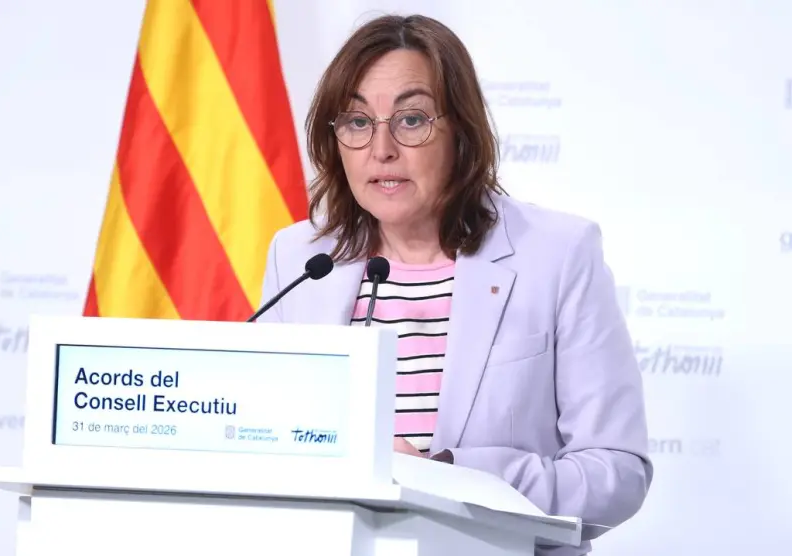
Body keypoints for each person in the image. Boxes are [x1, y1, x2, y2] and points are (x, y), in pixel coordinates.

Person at [256, 13, 653, 556]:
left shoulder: (557, 256)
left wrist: (449, 476)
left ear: (461, 132)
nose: (381, 148)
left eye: (411, 119)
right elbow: (268, 442)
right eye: (356, 121)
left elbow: (617, 472)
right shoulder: (301, 260)